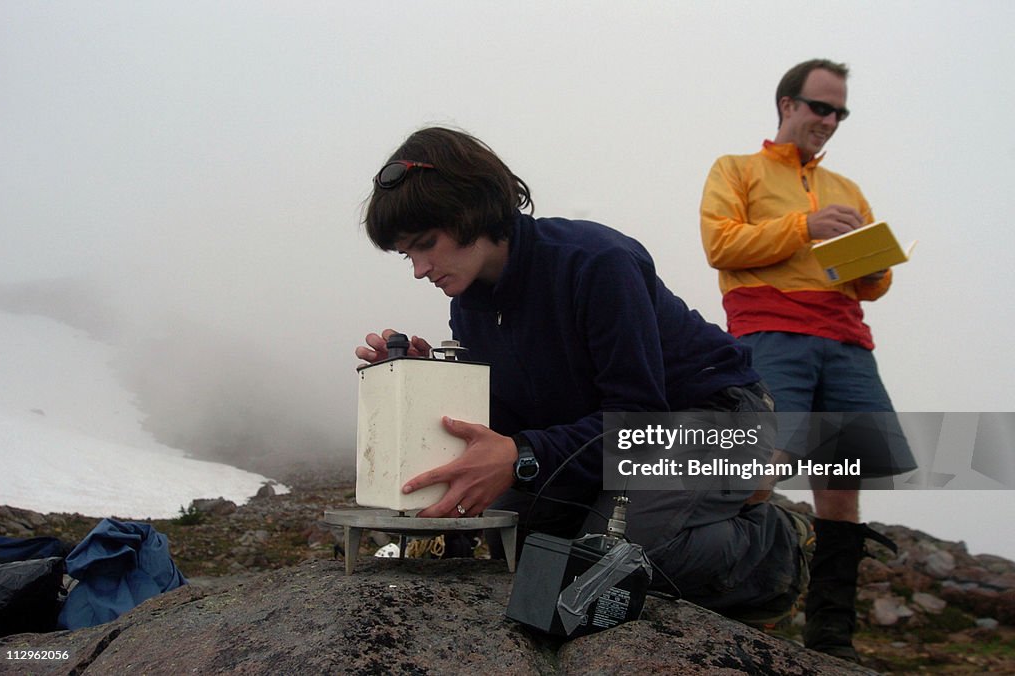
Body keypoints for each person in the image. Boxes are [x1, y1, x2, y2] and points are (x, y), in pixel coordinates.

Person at [355, 126, 810, 623]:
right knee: (528, 548)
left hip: (718, 412)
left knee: (612, 557)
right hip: (616, 434)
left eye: (426, 244)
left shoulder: (595, 262)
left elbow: (641, 422)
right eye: (407, 254)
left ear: (473, 208)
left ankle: (775, 543)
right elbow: (508, 427)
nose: (420, 269)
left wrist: (522, 456)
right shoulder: (469, 310)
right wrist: (427, 388)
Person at [699, 59, 916, 660]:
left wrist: (874, 268)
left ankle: (831, 639)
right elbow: (720, 242)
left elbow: (872, 283)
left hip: (847, 341)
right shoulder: (737, 169)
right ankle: (733, 610)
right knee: (757, 472)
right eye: (821, 106)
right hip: (771, 332)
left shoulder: (849, 190)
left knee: (841, 487)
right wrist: (805, 225)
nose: (830, 120)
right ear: (787, 104)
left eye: (839, 112)